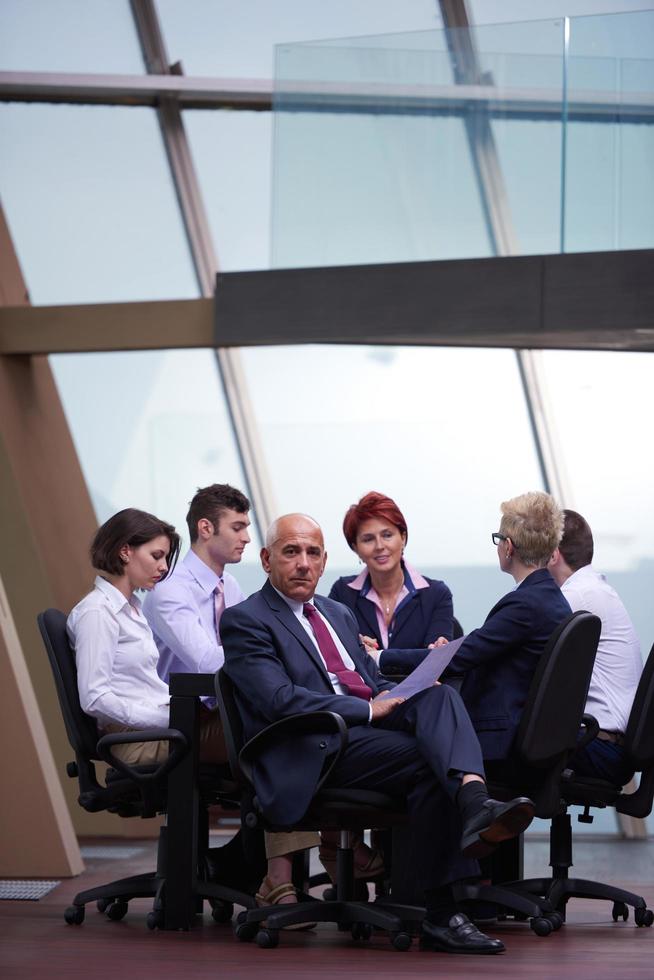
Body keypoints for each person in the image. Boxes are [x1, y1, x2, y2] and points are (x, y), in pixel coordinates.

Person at [221, 512, 538, 954]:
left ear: (325, 559)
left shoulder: (337, 613)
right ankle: (439, 910)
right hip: (308, 746)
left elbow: (373, 678)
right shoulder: (246, 619)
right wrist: (367, 709)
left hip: (359, 735)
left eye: (313, 553)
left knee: (440, 696)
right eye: (291, 552)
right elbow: (278, 700)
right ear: (266, 559)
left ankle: (471, 804)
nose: (303, 563)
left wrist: (405, 692)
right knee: (429, 760)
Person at [143, 484, 319, 916]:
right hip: (189, 722)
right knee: (284, 739)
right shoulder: (172, 593)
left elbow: (257, 647)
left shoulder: (231, 587)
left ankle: (257, 868)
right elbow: (211, 662)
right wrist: (277, 659)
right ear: (206, 528)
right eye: (237, 527)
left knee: (299, 728)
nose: (245, 537)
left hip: (230, 716)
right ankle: (282, 877)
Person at [392, 492, 572, 765]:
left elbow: (465, 656)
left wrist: (380, 657)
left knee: (399, 751)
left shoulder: (526, 604)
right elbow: (483, 646)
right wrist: (453, 650)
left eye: (498, 540)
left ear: (508, 547)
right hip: (525, 736)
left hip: (495, 740)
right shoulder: (550, 599)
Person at [65, 507, 229, 764]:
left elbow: (144, 688)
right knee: (249, 731)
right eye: (157, 556)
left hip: (162, 729)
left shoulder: (134, 610)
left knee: (247, 720)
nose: (164, 568)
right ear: (125, 551)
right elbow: (94, 699)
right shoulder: (97, 612)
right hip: (137, 740)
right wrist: (170, 718)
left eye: (165, 558)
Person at [548, 509, 642, 785]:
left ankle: (488, 823)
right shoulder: (595, 589)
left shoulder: (575, 596)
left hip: (600, 746)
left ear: (553, 554)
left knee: (494, 736)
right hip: (609, 745)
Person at [328, 491, 453, 674]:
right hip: (365, 699)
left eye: (387, 535)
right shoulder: (342, 593)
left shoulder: (436, 594)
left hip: (420, 696)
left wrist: (375, 656)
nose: (379, 546)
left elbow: (435, 661)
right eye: (368, 539)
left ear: (402, 538)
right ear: (356, 548)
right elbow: (331, 655)